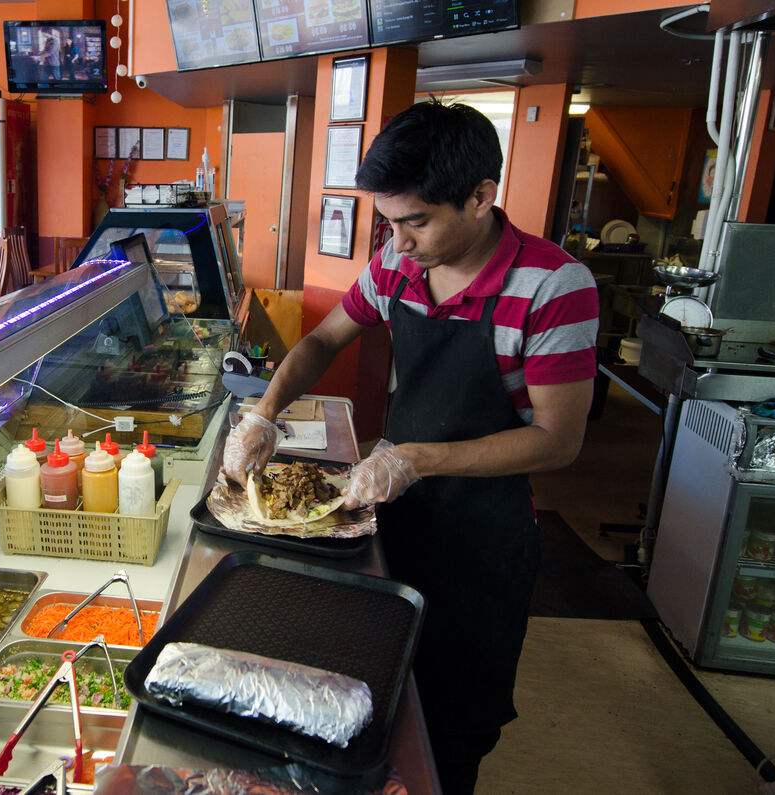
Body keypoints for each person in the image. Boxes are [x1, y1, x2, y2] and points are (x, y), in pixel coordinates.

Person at [222, 101, 598, 794]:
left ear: (482, 197)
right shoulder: (398, 267)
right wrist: (264, 412)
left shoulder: (554, 286)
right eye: (388, 222)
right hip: (394, 519)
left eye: (415, 221)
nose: (397, 242)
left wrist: (417, 458)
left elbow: (558, 440)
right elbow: (322, 340)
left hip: (484, 538)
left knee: (453, 726)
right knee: (373, 698)